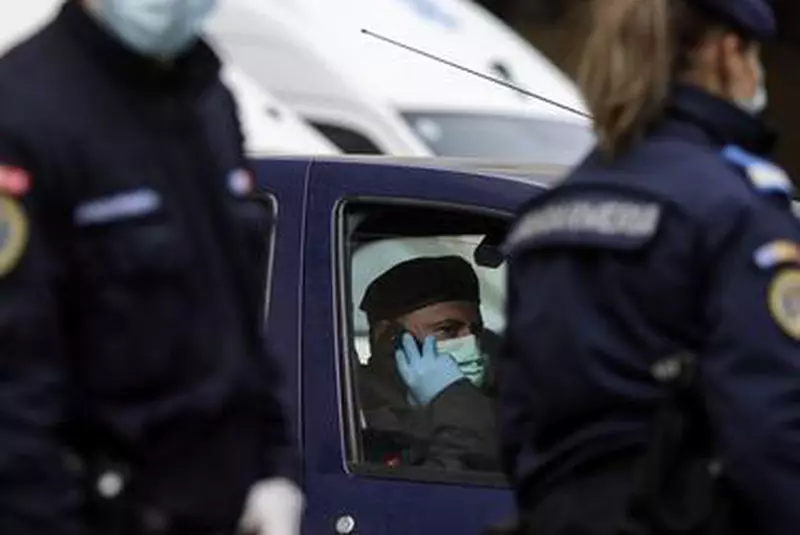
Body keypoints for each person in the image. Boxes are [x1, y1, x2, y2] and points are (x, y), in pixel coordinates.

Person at [0, 1, 303, 534]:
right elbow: (12, 395)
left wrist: (275, 471)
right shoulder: (22, 114)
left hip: (225, 507)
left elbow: (239, 325)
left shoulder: (207, 102)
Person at [499, 0, 800, 533]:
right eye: (753, 53)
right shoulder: (737, 208)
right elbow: (771, 427)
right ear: (727, 54)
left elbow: (518, 425)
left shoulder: (548, 215)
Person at [358, 256, 500, 471]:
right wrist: (453, 396)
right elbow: (454, 485)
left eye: (476, 330)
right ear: (389, 338)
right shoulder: (353, 417)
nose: (470, 343)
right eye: (447, 330)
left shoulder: (499, 399)